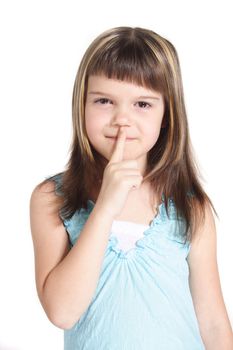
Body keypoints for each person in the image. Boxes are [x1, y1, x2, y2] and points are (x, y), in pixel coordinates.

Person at [29, 26, 233, 349]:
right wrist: (106, 206)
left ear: (167, 115)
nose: (122, 119)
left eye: (142, 105)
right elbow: (62, 312)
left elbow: (214, 323)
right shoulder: (53, 199)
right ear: (81, 106)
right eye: (105, 101)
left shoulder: (191, 209)